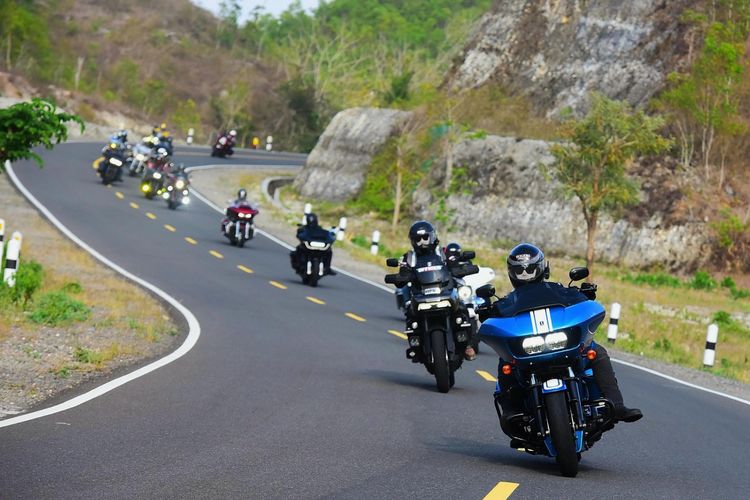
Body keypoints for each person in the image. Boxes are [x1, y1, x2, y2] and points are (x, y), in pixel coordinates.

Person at [488, 243, 643, 423]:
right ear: (511, 272)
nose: (525, 274)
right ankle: (510, 411)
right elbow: (494, 317)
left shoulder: (559, 290)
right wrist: (486, 311)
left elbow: (578, 299)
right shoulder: (507, 302)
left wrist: (584, 293)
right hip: (528, 350)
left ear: (541, 267)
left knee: (597, 353)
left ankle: (617, 406)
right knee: (506, 361)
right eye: (520, 270)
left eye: (530, 268)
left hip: (562, 343)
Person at [399, 222, 476, 361]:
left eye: (425, 238)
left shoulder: (444, 252)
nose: (422, 242)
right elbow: (402, 273)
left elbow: (454, 265)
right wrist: (400, 277)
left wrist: (462, 269)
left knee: (463, 309)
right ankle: (416, 346)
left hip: (444, 290)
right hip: (420, 294)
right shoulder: (409, 257)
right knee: (410, 314)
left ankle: (467, 345)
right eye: (418, 239)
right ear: (413, 241)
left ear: (432, 236)